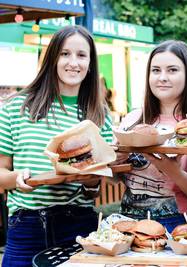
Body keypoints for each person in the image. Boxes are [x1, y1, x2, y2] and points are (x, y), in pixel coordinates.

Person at [0, 25, 113, 267]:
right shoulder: (16, 107)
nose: (74, 62)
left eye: (81, 55)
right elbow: (0, 174)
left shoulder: (99, 114)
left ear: (91, 63)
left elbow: (97, 185)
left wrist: (92, 182)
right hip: (26, 226)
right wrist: (18, 178)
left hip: (79, 225)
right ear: (52, 58)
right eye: (65, 54)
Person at [115, 40, 187, 233]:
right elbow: (115, 179)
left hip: (180, 224)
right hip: (129, 222)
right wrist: (114, 163)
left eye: (172, 70)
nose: (162, 77)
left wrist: (173, 171)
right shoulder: (131, 120)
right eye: (156, 70)